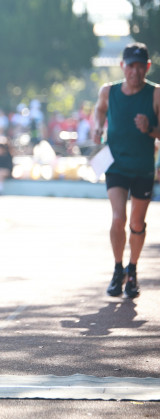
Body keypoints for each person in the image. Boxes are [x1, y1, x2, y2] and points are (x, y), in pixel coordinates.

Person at [93, 42, 159, 299]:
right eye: (131, 66)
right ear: (122, 66)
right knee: (118, 218)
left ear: (148, 67)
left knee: (136, 223)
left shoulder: (155, 94)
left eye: (141, 66)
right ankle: (118, 269)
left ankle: (133, 271)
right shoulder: (108, 91)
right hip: (116, 165)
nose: (135, 71)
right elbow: (99, 111)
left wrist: (149, 129)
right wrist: (97, 127)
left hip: (143, 168)